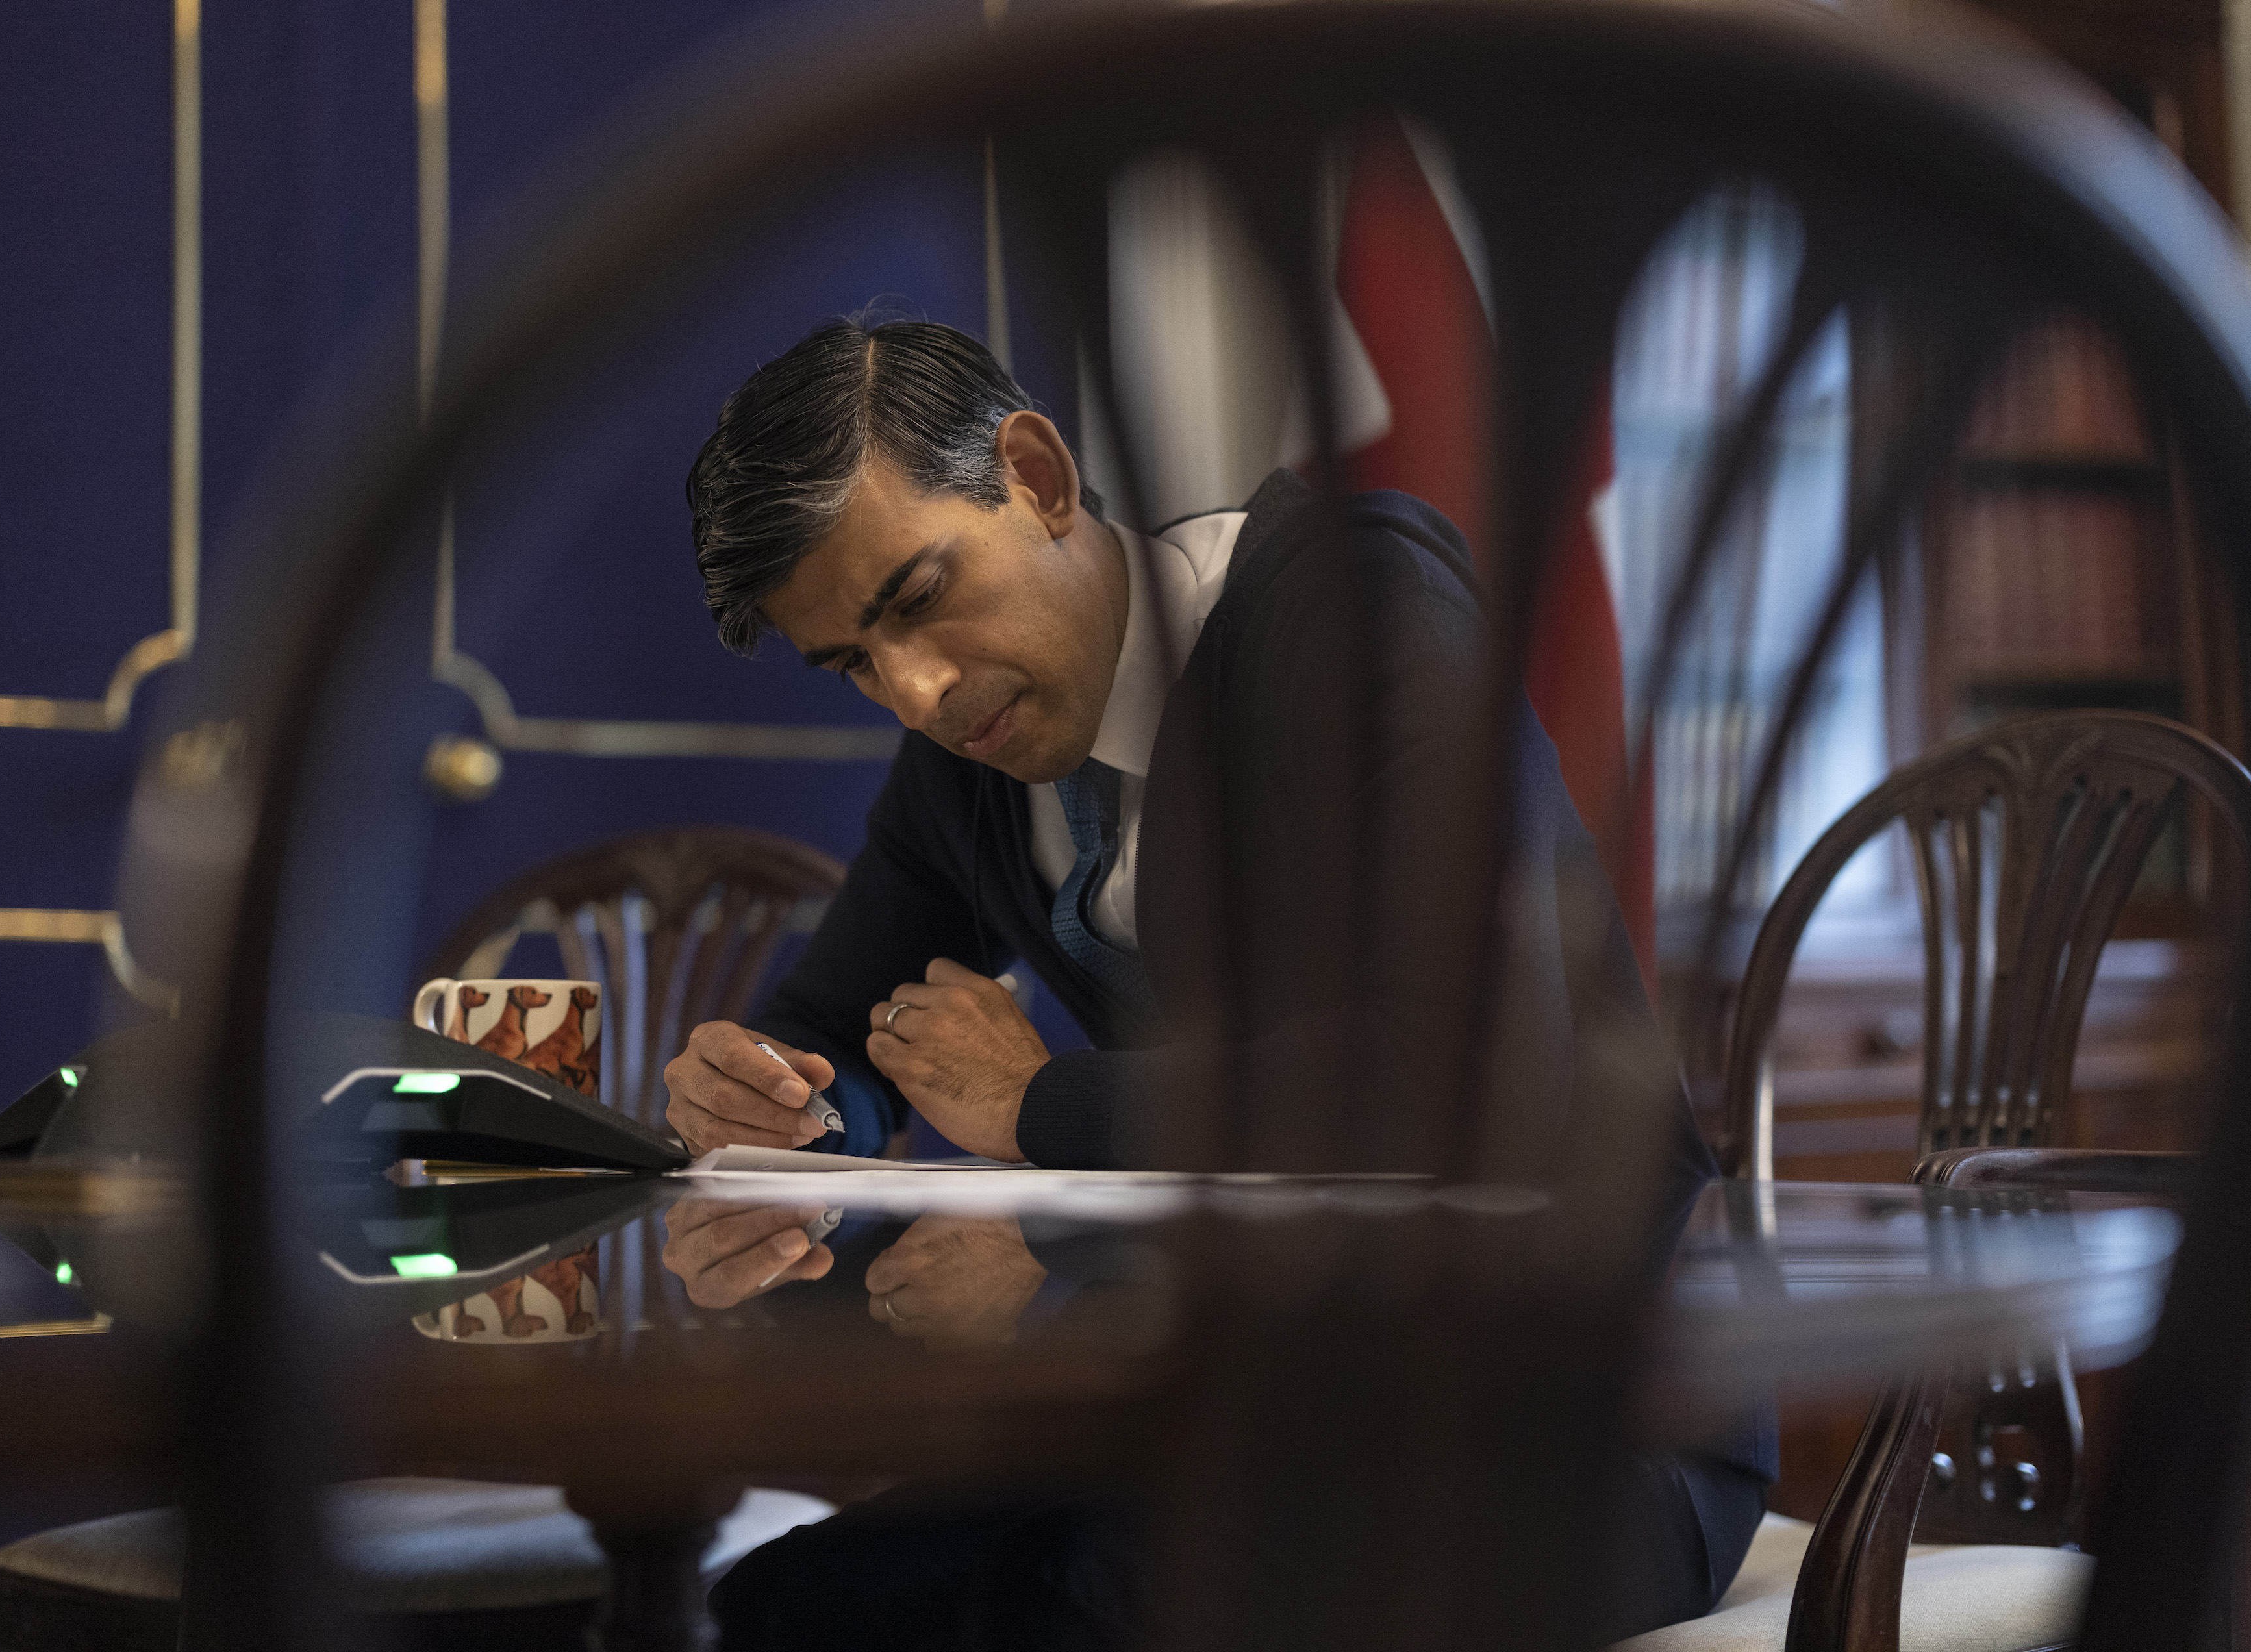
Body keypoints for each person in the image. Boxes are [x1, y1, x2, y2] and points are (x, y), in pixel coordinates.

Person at [664, 315, 1770, 1646]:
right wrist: (778, 1108)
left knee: (1064, 1605)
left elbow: (1468, 1089)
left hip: (1573, 1418)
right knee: (773, 1610)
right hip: (1269, 1407)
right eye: (853, 663)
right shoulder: (962, 765)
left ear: (1038, 473)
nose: (918, 691)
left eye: (915, 598)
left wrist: (1046, 1129)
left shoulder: (1358, 611)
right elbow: (824, 1031)